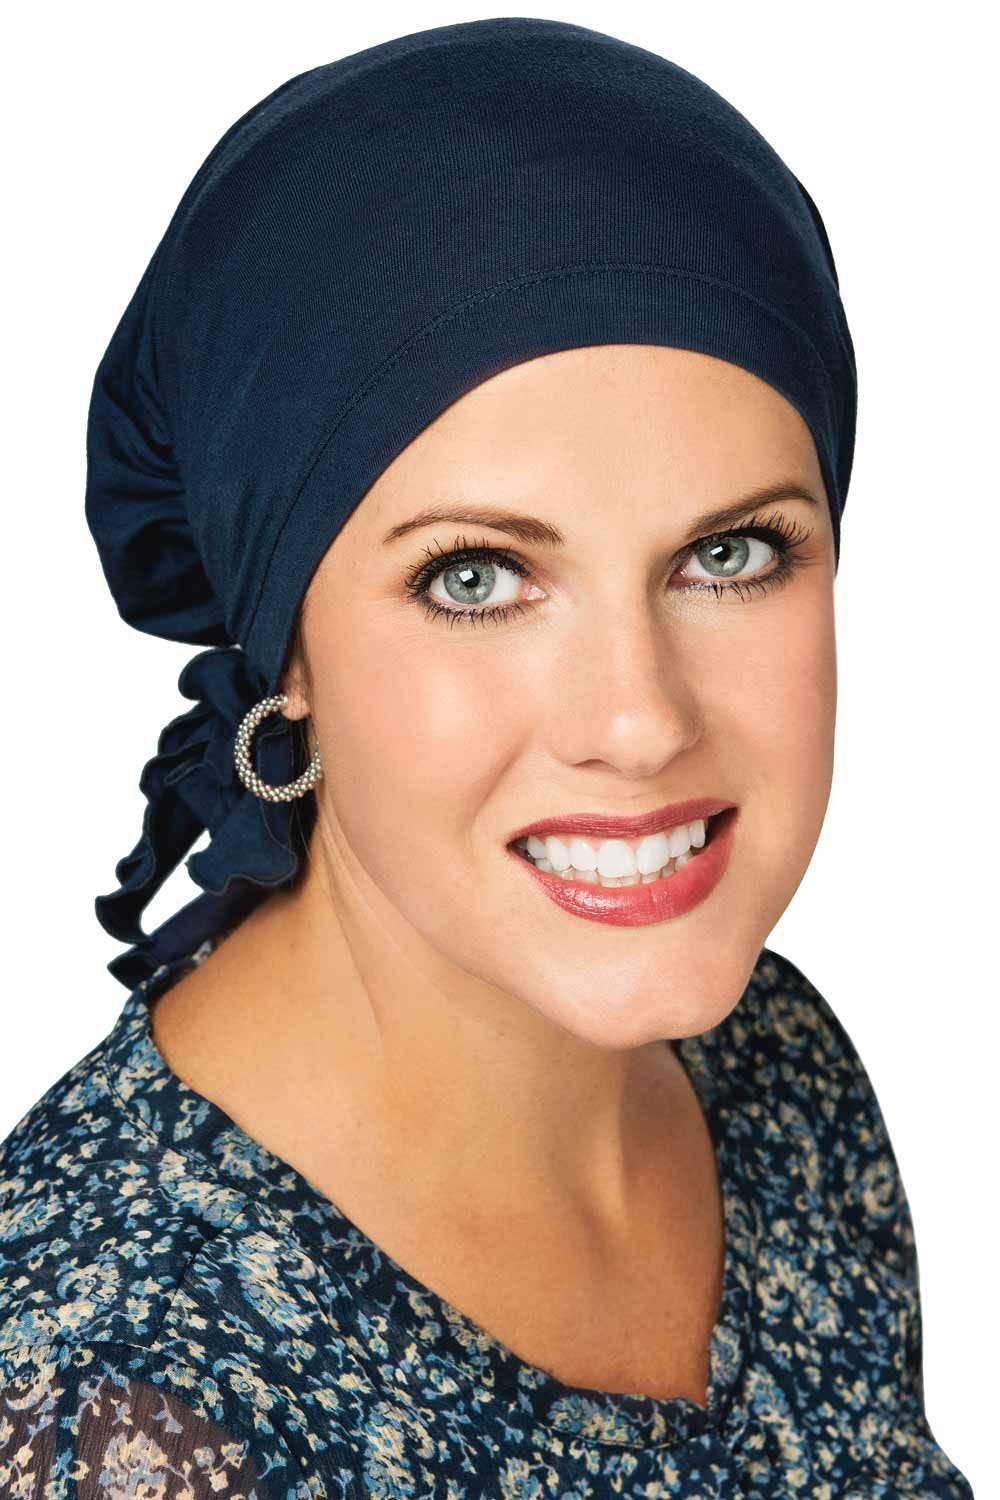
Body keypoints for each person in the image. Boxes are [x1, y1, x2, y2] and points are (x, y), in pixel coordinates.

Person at [0, 17, 974, 1498]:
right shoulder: (114, 1411)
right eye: (477, 578)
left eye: (729, 553)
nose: (638, 721)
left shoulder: (774, 1066)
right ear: (286, 649)